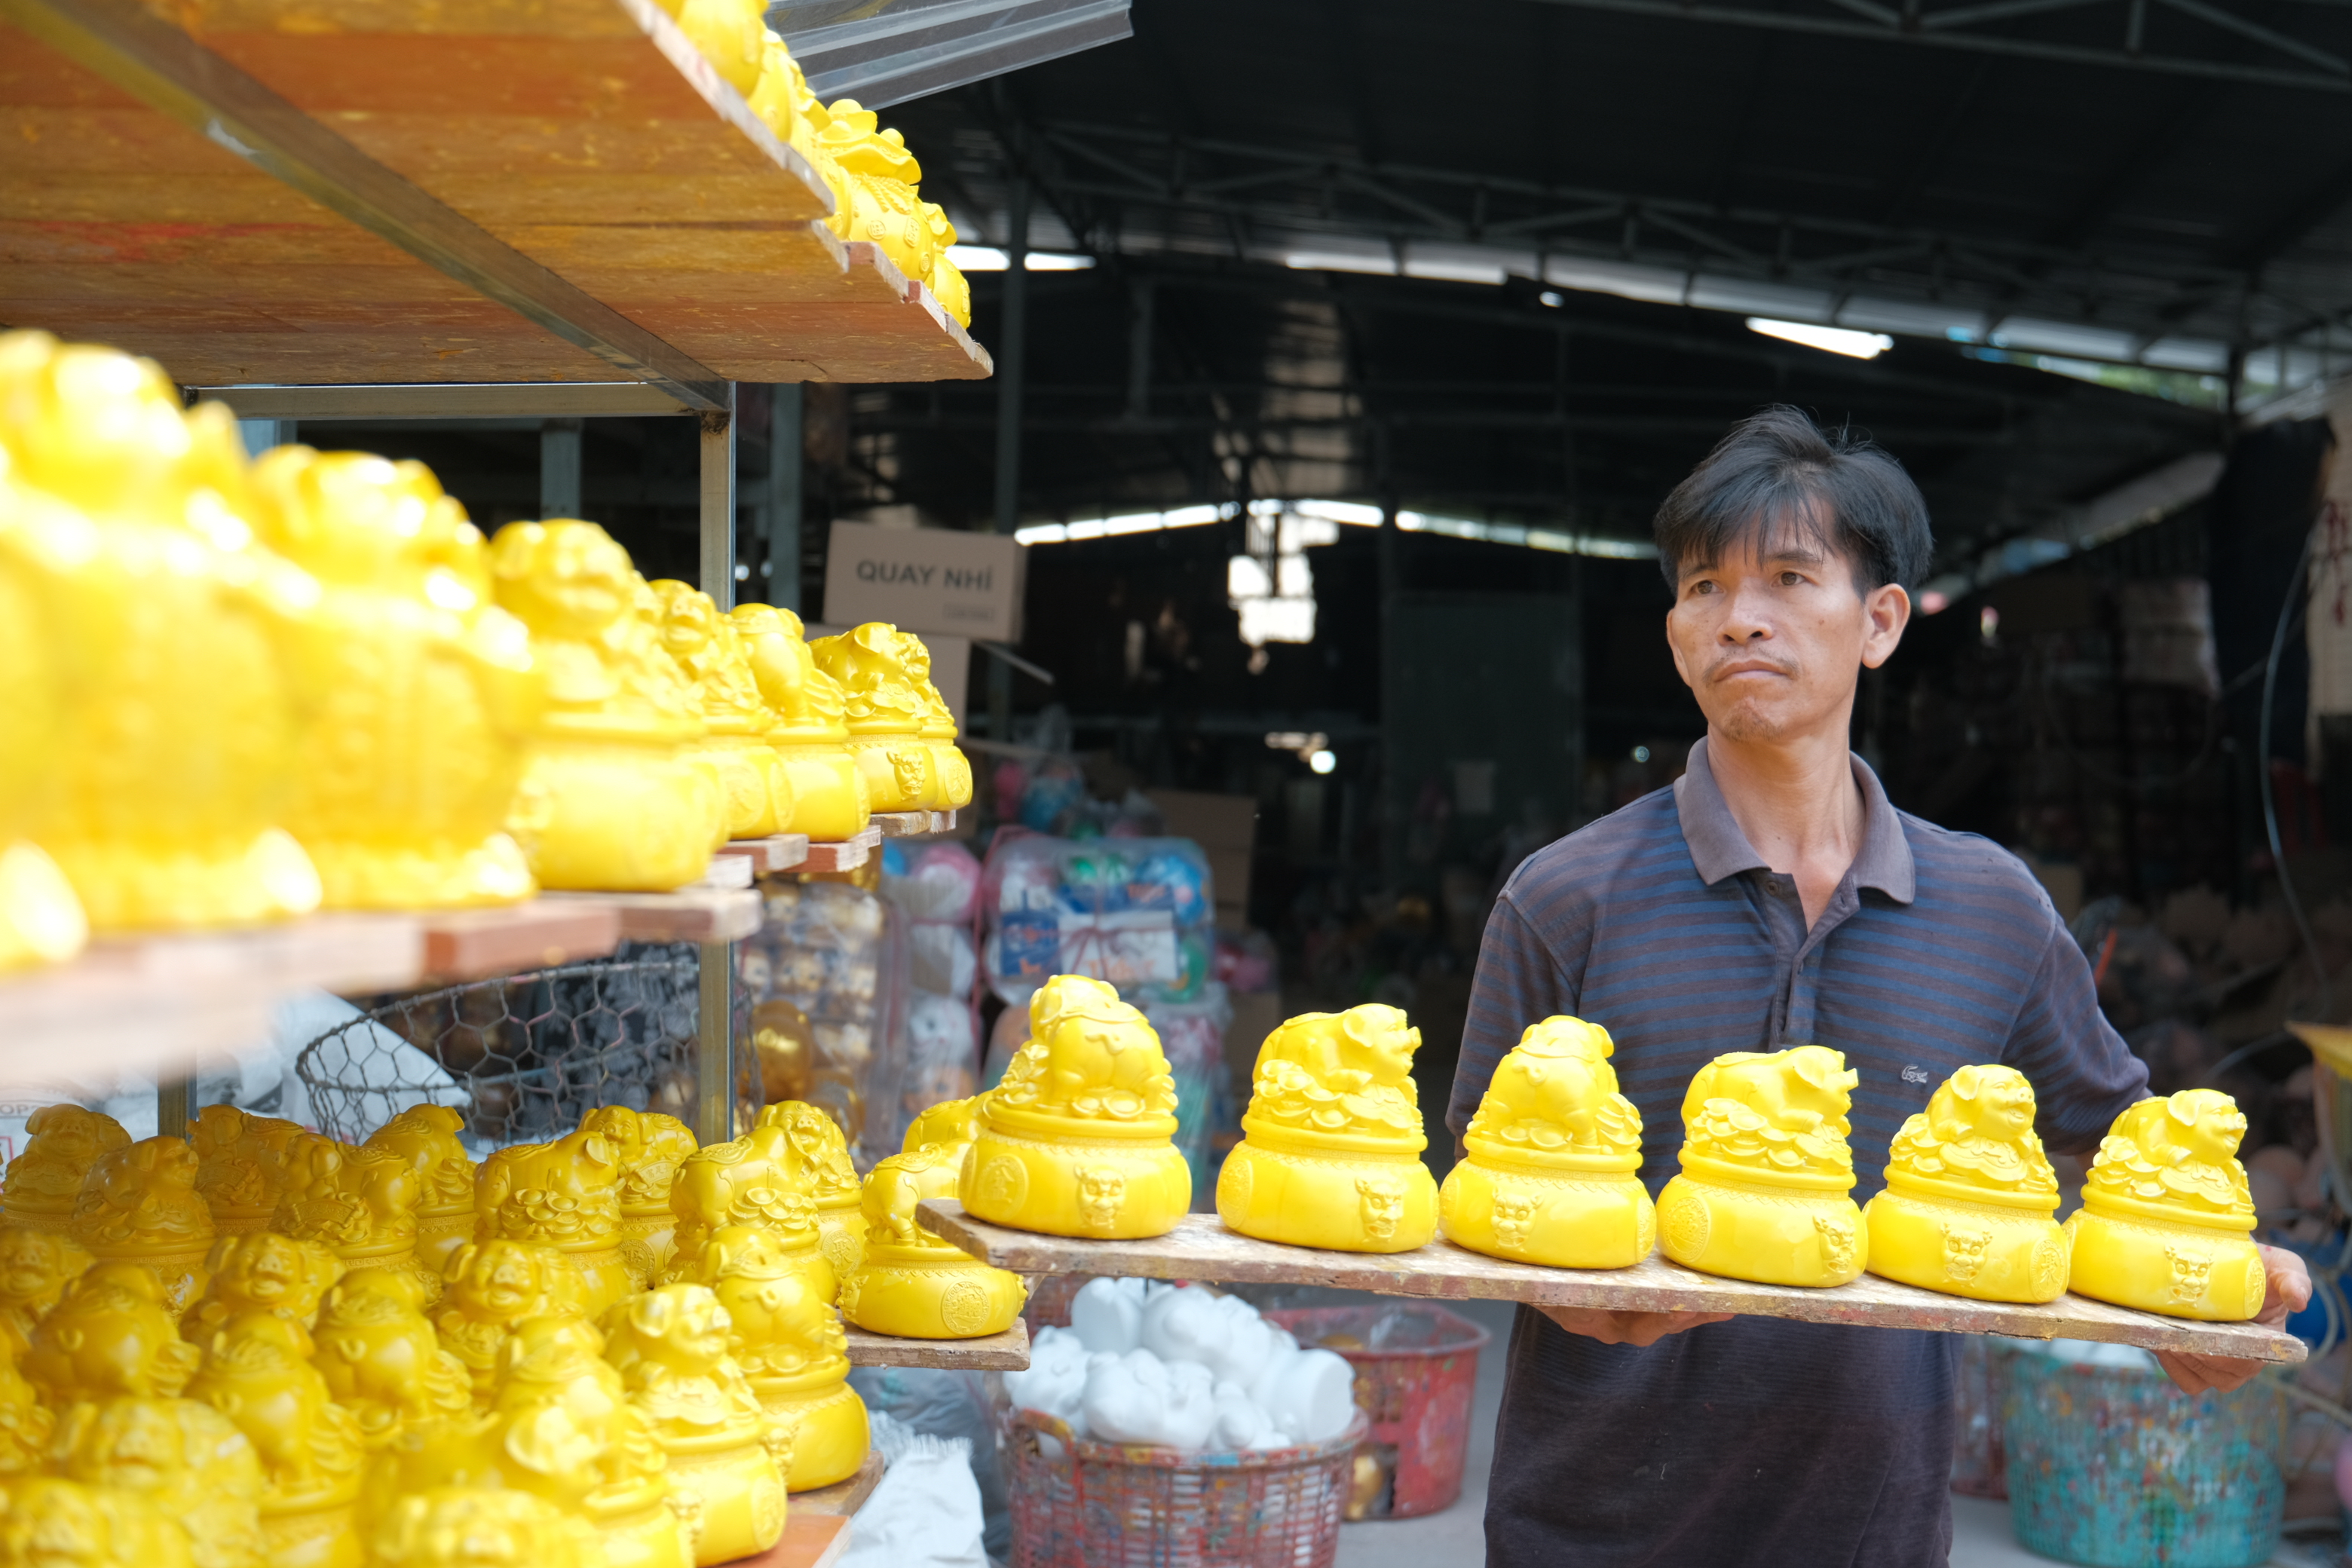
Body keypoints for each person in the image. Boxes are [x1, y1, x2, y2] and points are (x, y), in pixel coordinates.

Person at [1447, 406, 2311, 1566]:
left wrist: (2202, 1306)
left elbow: (2130, 1156)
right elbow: (1471, 1187)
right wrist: (1573, 1293)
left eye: (1790, 577)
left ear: (1882, 622)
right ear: (1673, 632)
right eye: (1703, 588)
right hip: (1594, 1526)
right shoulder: (1566, 898)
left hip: (1872, 1531)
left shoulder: (1992, 909)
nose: (1739, 616)